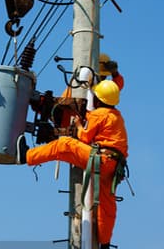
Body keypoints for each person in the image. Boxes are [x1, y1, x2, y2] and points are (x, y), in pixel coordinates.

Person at [17, 79, 129, 249]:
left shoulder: (99, 114)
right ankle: (104, 244)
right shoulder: (117, 116)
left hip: (101, 160)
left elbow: (84, 137)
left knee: (64, 145)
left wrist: (77, 124)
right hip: (114, 167)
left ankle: (26, 156)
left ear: (98, 100)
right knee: (107, 207)